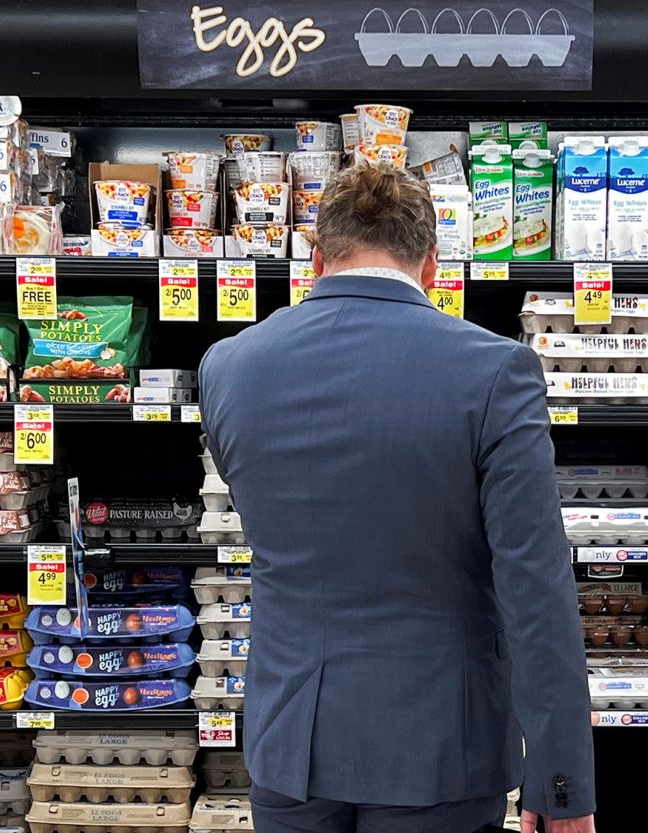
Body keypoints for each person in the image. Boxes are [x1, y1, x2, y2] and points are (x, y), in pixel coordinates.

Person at [199, 163, 596, 833]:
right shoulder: (495, 371)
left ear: (316, 259)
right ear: (433, 266)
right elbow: (535, 584)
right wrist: (562, 780)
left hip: (291, 739)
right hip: (441, 749)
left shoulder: (230, 365)